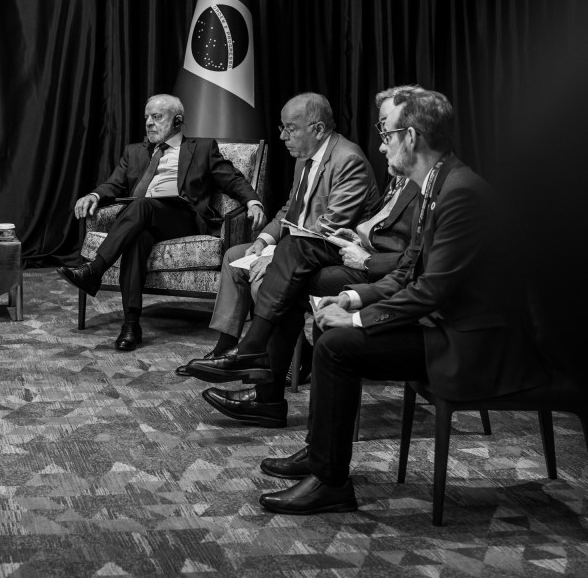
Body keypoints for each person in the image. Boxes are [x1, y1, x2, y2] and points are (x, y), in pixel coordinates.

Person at [257, 90, 548, 515]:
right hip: (445, 324)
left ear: (411, 137)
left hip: (475, 342)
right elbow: (409, 269)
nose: (380, 146)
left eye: (386, 134)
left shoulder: (460, 192)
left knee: (338, 345)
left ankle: (329, 481)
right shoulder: (437, 184)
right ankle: (322, 455)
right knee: (329, 326)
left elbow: (431, 290)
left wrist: (358, 321)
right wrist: (352, 297)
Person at [181, 86, 423, 428]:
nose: (380, 144)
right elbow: (294, 211)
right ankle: (253, 370)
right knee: (265, 262)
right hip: (343, 253)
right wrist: (266, 239)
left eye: (387, 132)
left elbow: (411, 258)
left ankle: (259, 371)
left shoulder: (356, 161)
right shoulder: (318, 163)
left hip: (361, 266)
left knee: (289, 264)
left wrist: (365, 256)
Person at [56, 94, 266, 351]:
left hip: (183, 217)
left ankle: (94, 270)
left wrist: (253, 202)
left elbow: (232, 179)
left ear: (177, 121)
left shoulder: (201, 148)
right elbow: (114, 184)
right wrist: (94, 195)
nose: (148, 123)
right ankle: (131, 325)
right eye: (146, 117)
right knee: (137, 238)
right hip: (143, 219)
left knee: (141, 205)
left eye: (156, 117)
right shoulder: (134, 151)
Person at [187, 92, 380, 369]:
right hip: (298, 248)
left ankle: (272, 360)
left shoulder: (348, 160)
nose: (282, 136)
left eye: (290, 128)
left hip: (332, 254)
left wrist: (277, 256)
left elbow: (331, 228)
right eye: (282, 127)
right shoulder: (305, 158)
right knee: (234, 257)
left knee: (263, 280)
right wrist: (264, 240)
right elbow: (290, 210)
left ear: (318, 129)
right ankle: (226, 347)